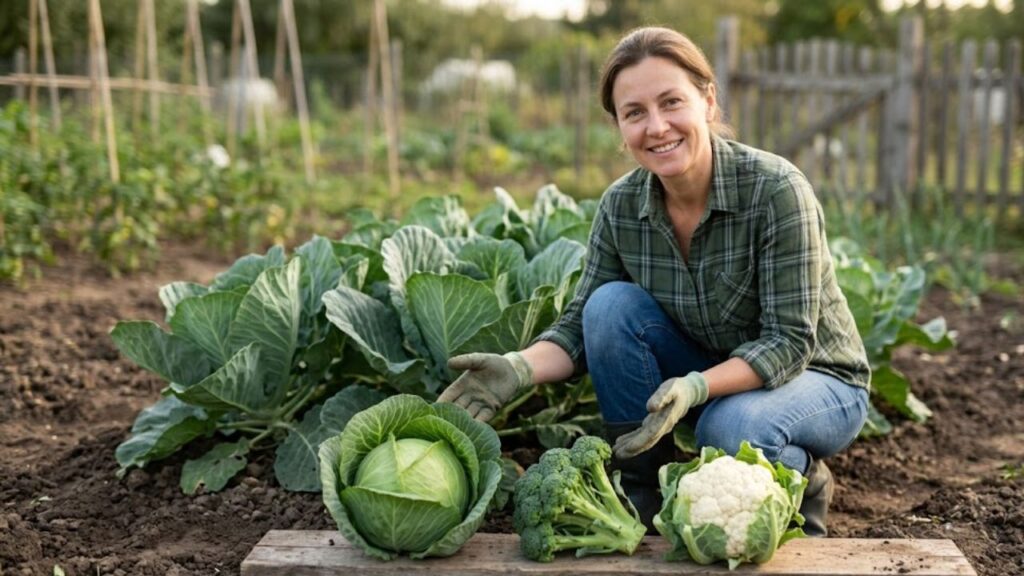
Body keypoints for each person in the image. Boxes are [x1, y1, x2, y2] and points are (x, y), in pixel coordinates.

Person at [438, 26, 870, 537]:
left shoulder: (775, 190)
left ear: (708, 101)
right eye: (635, 112)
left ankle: (804, 477)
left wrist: (697, 386)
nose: (657, 126)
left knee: (729, 428)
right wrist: (516, 368)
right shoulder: (621, 206)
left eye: (671, 102)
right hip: (716, 373)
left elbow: (789, 342)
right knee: (608, 306)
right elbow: (579, 328)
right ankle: (643, 489)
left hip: (818, 378)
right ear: (620, 127)